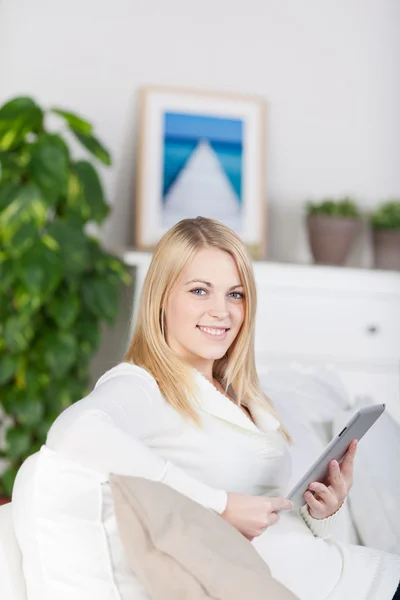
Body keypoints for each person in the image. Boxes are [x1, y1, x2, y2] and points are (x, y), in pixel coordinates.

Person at [16, 217, 400, 599]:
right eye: (200, 291)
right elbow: (74, 431)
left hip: (356, 576)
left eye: (235, 294)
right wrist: (219, 505)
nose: (223, 311)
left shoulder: (239, 392)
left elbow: (269, 522)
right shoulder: (140, 384)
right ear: (162, 297)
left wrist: (320, 512)